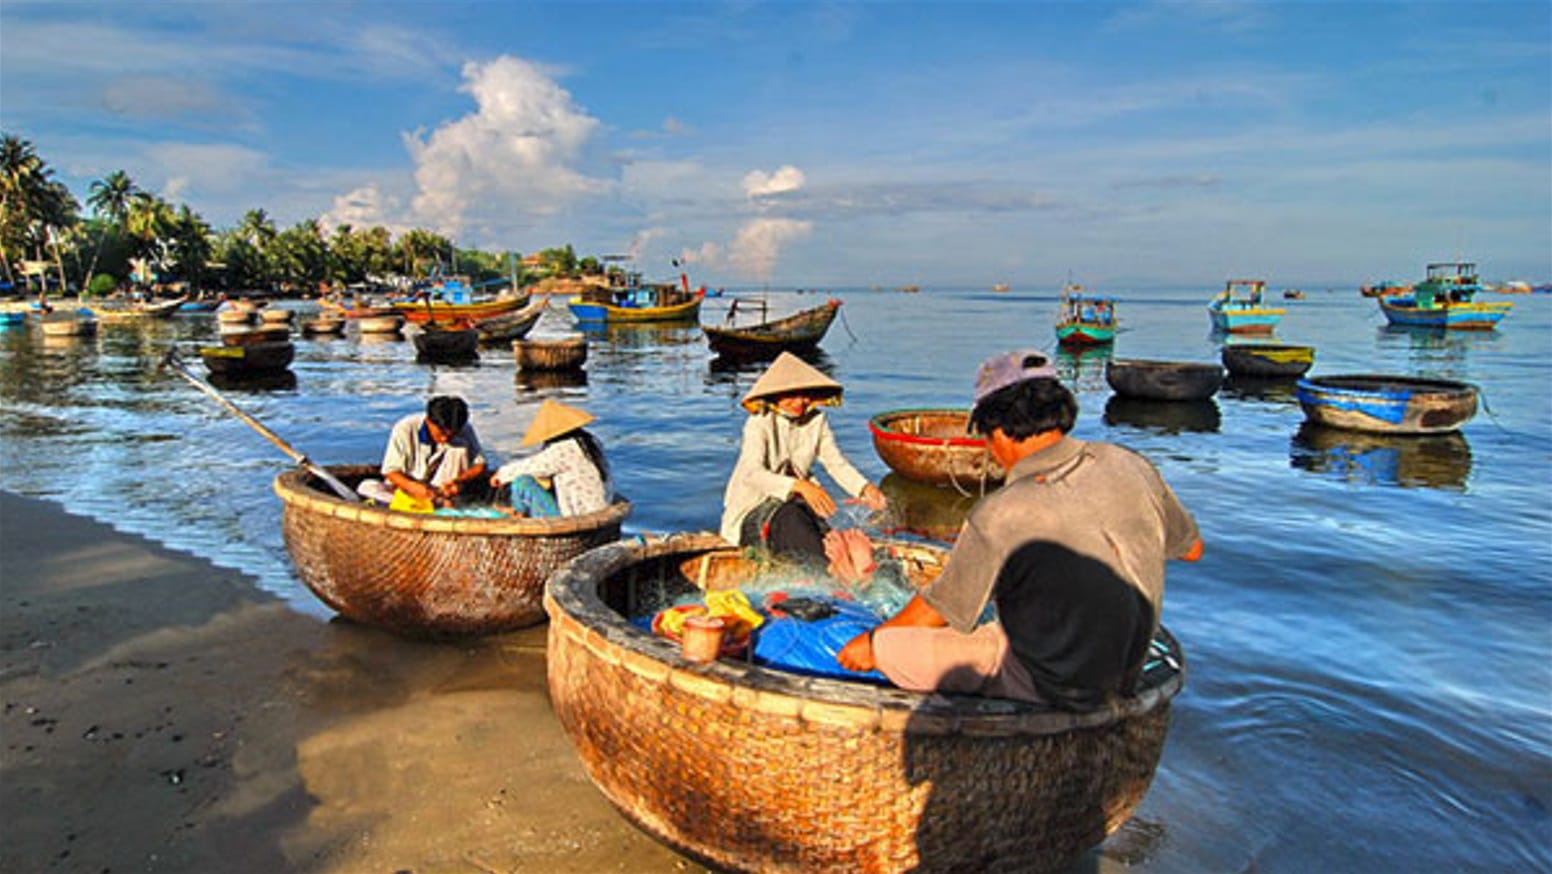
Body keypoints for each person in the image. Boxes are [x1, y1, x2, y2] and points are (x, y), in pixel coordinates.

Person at [837, 350, 1203, 710]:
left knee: (888, 650)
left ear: (998, 431)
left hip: (1055, 684)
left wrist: (872, 643)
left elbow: (941, 609)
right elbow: (1192, 549)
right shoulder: (1130, 463)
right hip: (1127, 667)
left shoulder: (1002, 512)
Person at [720, 351, 887, 566]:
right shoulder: (759, 422)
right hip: (754, 512)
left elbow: (836, 463)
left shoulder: (817, 421)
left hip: (796, 508)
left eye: (805, 394)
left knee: (824, 531)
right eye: (791, 395)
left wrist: (865, 489)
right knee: (792, 517)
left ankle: (841, 570)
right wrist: (800, 486)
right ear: (774, 395)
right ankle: (836, 574)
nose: (800, 402)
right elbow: (752, 473)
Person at [358, 395, 489, 509]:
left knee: (460, 449)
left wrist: (458, 481)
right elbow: (391, 471)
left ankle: (443, 502)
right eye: (441, 433)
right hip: (407, 490)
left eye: (451, 435)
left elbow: (480, 465)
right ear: (428, 421)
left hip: (443, 491)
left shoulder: (465, 429)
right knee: (366, 487)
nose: (444, 439)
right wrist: (413, 487)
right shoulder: (405, 428)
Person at [489, 398, 612, 518]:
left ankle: (518, 515)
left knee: (522, 483)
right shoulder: (589, 442)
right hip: (599, 508)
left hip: (578, 515)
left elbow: (531, 466)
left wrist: (501, 475)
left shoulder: (564, 448)